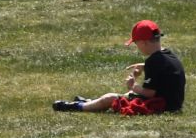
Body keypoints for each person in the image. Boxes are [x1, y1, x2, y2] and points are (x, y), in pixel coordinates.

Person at [54, 20, 185, 114]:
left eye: (136, 43)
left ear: (144, 42)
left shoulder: (153, 62)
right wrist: (144, 67)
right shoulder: (167, 54)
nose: (137, 47)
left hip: (163, 106)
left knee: (110, 98)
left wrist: (133, 85)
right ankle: (91, 102)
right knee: (128, 95)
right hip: (175, 103)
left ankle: (78, 106)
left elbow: (150, 93)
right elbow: (167, 70)